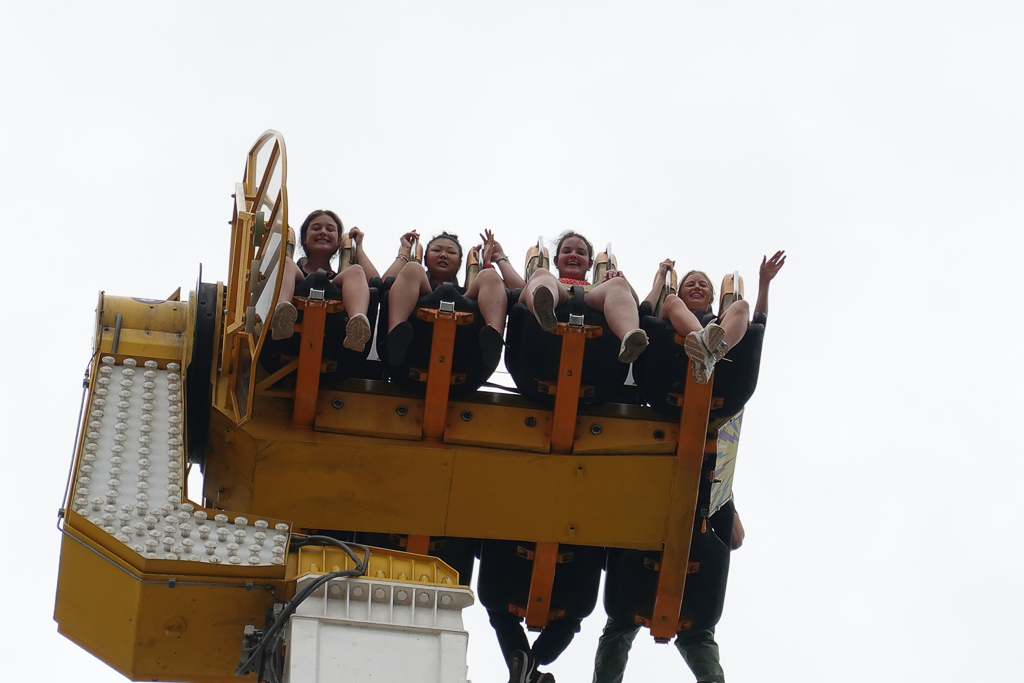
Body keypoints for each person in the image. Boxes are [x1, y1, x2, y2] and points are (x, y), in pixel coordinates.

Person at [486, 230, 648, 364]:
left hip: (593, 319)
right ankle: (543, 308)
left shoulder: (601, 289)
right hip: (544, 332)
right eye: (567, 251)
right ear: (556, 260)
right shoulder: (547, 278)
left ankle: (630, 337)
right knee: (542, 275)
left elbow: (634, 303)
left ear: (590, 263)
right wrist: (500, 257)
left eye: (580, 253)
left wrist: (622, 279)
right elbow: (520, 290)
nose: (573, 255)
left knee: (617, 285)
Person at [644, 251, 786, 383]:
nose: (697, 287)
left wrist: (764, 283)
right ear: (681, 295)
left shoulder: (720, 324)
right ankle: (705, 344)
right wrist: (661, 277)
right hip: (668, 370)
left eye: (703, 285)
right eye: (690, 285)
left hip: (721, 378)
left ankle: (714, 351)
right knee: (670, 299)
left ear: (711, 297)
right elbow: (645, 310)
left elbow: (759, 325)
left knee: (742, 305)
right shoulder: (670, 307)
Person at [381, 231, 506, 368]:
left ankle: (494, 339)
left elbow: (503, 290)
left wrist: (487, 263)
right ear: (425, 258)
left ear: (459, 264)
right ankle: (396, 336)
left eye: (451, 252)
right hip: (413, 349)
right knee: (413, 268)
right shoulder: (411, 284)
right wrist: (405, 252)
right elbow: (384, 284)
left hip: (465, 352)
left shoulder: (468, 294)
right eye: (436, 250)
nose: (443, 255)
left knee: (489, 275)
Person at [269, 209, 379, 352]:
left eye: (330, 229)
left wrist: (358, 248)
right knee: (286, 263)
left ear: (338, 241)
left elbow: (376, 282)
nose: (323, 232)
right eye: (316, 228)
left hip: (335, 336)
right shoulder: (290, 268)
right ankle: (281, 314)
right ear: (304, 238)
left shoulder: (347, 278)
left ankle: (357, 326)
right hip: (289, 336)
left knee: (356, 270)